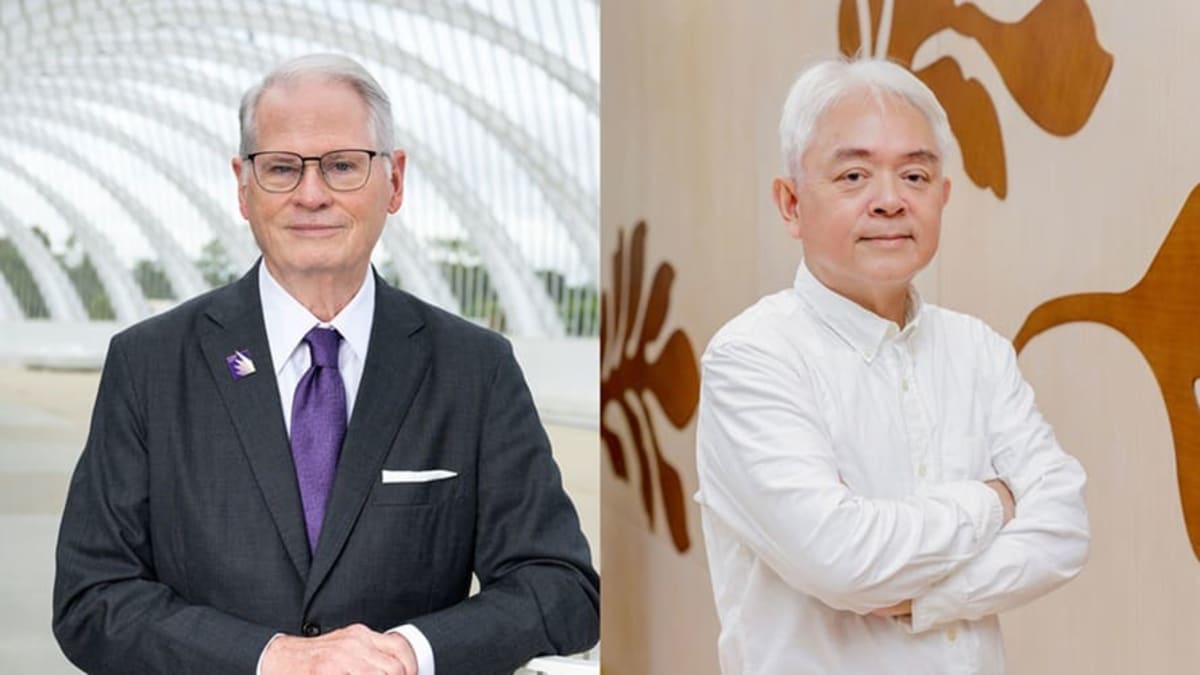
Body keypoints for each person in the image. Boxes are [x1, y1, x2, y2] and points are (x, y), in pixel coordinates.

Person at [52, 54, 599, 675]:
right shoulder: (149, 365)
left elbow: (561, 588)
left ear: (393, 182)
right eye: (281, 168)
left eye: (342, 166)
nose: (312, 195)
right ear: (242, 186)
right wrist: (271, 659)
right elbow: (91, 598)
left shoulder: (475, 369)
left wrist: (405, 654)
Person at [694, 57, 1089, 674]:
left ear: (943, 197)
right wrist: (997, 501)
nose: (889, 201)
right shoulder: (751, 358)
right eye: (854, 175)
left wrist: (925, 597)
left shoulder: (979, 350)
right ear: (791, 203)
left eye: (914, 176)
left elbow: (1065, 530)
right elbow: (843, 559)